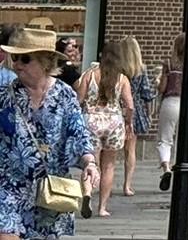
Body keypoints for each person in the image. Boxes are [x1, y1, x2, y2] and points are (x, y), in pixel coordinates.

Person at [0, 25, 101, 240]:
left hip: (49, 190)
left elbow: (79, 135)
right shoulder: (5, 95)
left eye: (25, 59)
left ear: (46, 62)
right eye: (15, 58)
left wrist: (89, 164)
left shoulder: (65, 96)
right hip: (9, 186)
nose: (17, 65)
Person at [76, 44, 131, 217]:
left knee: (91, 162)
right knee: (109, 166)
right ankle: (102, 207)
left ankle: (87, 194)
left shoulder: (89, 75)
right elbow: (130, 105)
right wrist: (128, 122)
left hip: (91, 121)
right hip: (113, 122)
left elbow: (79, 99)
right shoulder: (122, 79)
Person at [113, 39, 149, 199]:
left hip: (116, 108)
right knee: (131, 149)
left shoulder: (116, 69)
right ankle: (127, 185)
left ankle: (106, 181)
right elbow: (146, 93)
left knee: (110, 151)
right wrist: (148, 113)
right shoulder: (141, 69)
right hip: (134, 109)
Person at [155, 35, 183, 193]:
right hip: (187, 103)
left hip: (171, 102)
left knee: (165, 139)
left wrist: (158, 83)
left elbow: (162, 88)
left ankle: (166, 167)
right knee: (182, 140)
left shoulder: (169, 64)